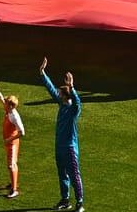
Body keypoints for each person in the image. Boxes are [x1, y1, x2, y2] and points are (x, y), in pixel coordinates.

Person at [39, 58, 85, 210]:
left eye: (60, 93)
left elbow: (78, 102)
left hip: (70, 148)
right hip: (59, 147)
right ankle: (65, 200)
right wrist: (42, 73)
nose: (57, 94)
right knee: (62, 174)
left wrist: (72, 86)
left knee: (74, 175)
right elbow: (51, 89)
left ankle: (80, 202)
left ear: (66, 96)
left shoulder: (73, 110)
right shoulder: (62, 104)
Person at [0, 81, 26, 200]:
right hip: (9, 142)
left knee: (11, 165)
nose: (4, 104)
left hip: (12, 143)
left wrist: (9, 139)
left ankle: (14, 190)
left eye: (6, 103)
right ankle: (13, 182)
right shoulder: (9, 110)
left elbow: (22, 132)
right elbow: (1, 98)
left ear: (11, 106)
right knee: (12, 164)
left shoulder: (14, 116)